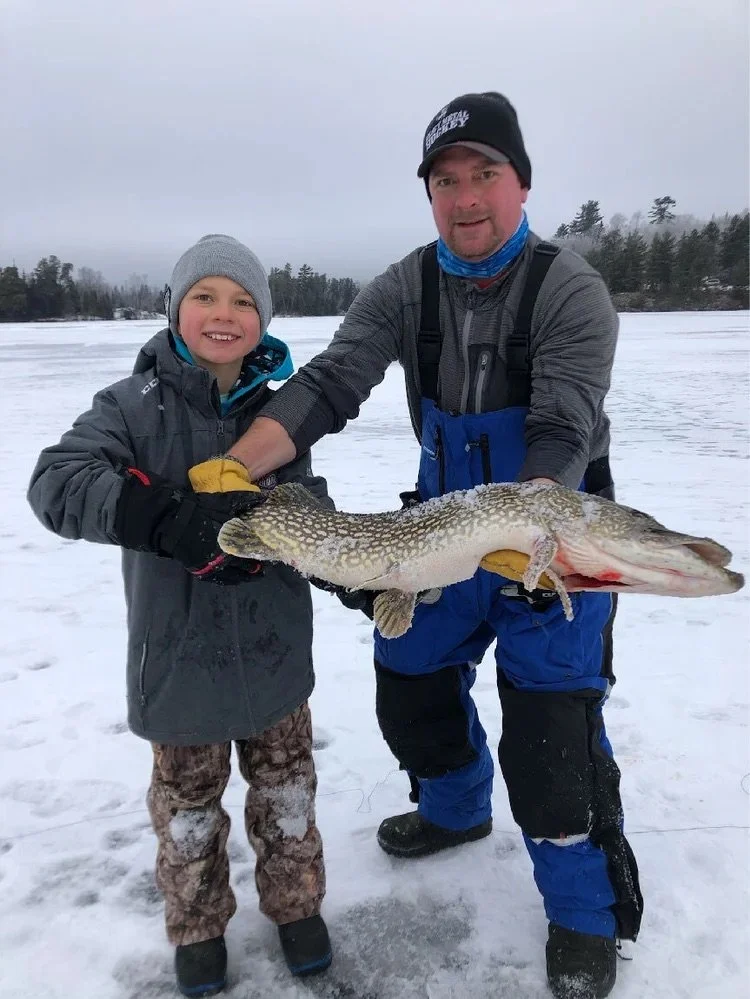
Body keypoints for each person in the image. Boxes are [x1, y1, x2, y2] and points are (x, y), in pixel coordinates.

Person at [213, 93, 645, 999]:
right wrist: (232, 471)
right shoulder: (404, 286)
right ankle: (453, 812)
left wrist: (536, 528)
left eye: (485, 174)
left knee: (552, 740)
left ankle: (582, 915)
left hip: (546, 534)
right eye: (446, 181)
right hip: (439, 533)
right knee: (408, 682)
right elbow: (331, 381)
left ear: (521, 181)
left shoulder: (569, 288)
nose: (466, 197)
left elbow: (565, 421)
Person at [27, 234, 334, 998]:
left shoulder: (281, 415)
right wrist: (166, 518)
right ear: (175, 307)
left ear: (263, 319)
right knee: (189, 812)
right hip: (177, 661)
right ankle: (197, 925)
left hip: (273, 656)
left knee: (289, 795)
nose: (223, 315)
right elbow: (56, 482)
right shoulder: (130, 408)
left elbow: (304, 504)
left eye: (242, 301)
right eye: (205, 296)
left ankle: (296, 906)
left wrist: (354, 562)